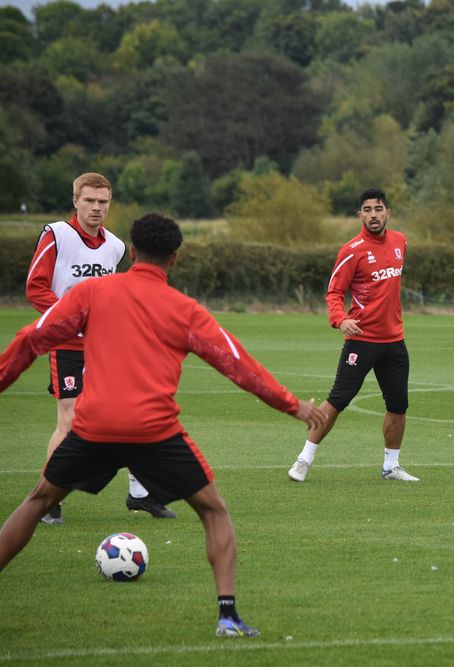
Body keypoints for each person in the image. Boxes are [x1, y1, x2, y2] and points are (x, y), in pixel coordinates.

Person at [0, 213, 324, 637]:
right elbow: (238, 365)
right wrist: (293, 406)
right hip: (155, 433)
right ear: (175, 258)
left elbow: (32, 338)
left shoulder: (92, 292)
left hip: (94, 427)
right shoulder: (185, 310)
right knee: (213, 511)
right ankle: (227, 615)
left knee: (38, 500)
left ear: (131, 252)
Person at [25, 172, 175, 524]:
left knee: (133, 411)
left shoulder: (117, 246)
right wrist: (72, 319)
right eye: (89, 200)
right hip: (66, 344)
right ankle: (47, 500)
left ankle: (141, 494)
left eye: (103, 202)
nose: (96, 207)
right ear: (75, 200)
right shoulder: (56, 235)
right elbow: (36, 288)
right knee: (70, 419)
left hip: (107, 345)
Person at [288, 188, 418, 483]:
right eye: (368, 210)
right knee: (337, 400)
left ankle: (391, 466)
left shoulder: (400, 242)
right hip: (361, 340)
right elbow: (334, 292)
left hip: (395, 341)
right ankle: (303, 459)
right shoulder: (352, 250)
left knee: (398, 405)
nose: (374, 214)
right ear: (360, 214)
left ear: (388, 213)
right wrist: (341, 319)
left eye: (379, 209)